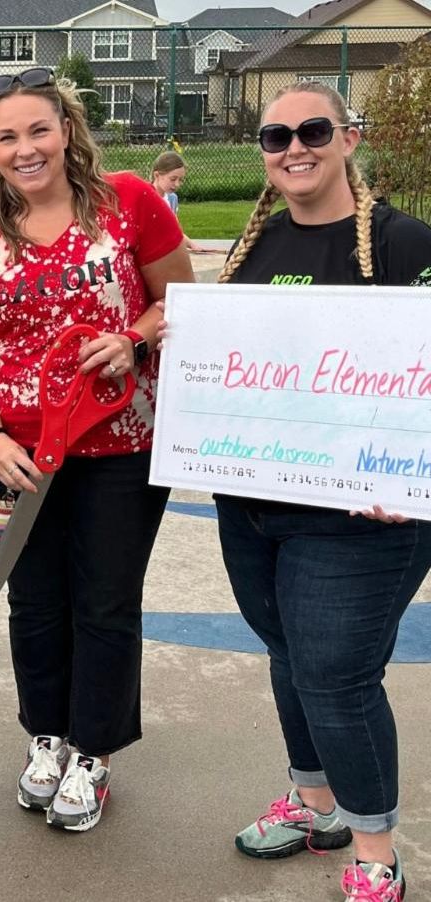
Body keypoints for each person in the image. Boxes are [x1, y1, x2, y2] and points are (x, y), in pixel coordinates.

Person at [0, 68, 194, 831]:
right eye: (7, 136)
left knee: (106, 602)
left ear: (66, 131)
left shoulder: (127, 202)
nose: (26, 149)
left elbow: (179, 300)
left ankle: (95, 752)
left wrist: (133, 338)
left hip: (124, 447)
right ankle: (48, 738)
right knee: (35, 602)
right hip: (24, 455)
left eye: (38, 130)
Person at [212, 81, 431, 902]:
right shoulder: (255, 247)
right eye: (275, 136)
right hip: (254, 503)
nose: (293, 147)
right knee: (288, 657)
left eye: (312, 130)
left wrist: (415, 470)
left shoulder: (406, 244)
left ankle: (376, 850)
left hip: (365, 518)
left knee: (336, 676)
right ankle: (315, 806)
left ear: (349, 137)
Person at [149, 151, 216, 253]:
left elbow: (175, 231)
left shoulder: (172, 199)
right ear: (157, 175)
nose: (177, 184)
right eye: (173, 179)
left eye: (180, 180)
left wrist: (193, 245)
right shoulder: (145, 197)